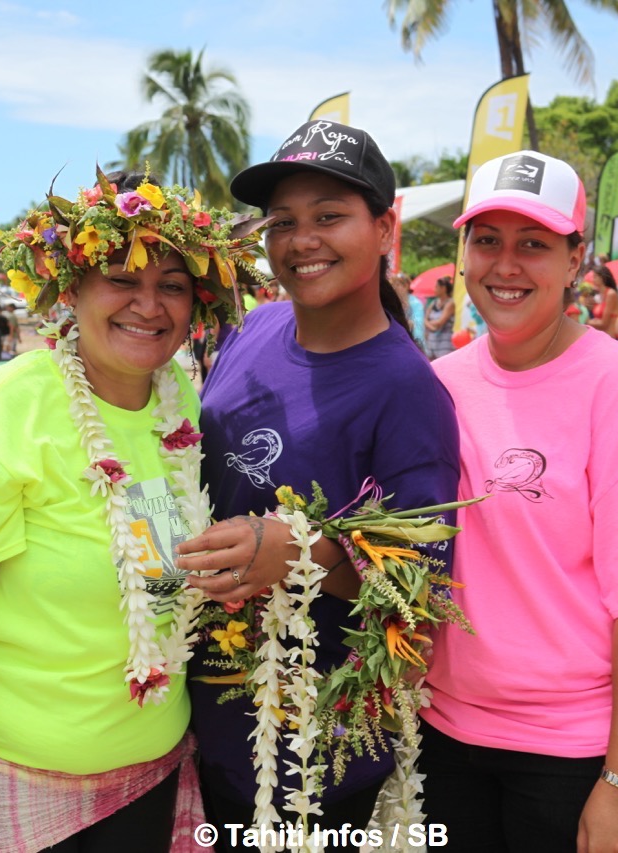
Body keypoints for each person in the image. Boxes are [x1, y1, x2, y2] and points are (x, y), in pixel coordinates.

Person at [0, 169, 264, 852]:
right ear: (71, 288)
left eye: (173, 286)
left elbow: (155, 569)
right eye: (123, 279)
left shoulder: (180, 398)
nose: (148, 305)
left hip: (153, 772)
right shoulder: (2, 411)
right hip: (13, 785)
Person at [174, 119, 461, 850]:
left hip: (316, 762)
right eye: (283, 222)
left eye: (329, 216)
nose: (302, 240)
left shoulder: (407, 390)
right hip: (197, 725)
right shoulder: (251, 331)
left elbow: (422, 595)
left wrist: (301, 555)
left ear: (385, 225)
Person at [420, 149, 618, 852]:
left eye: (534, 244)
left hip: (589, 750)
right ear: (462, 253)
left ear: (576, 257)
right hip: (454, 741)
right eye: (486, 240)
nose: (506, 265)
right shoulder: (439, 382)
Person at [424, 274, 456, 359]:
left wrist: (429, 324)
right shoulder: (433, 303)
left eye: (436, 287)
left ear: (443, 288)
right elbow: (425, 319)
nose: (435, 289)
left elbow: (440, 322)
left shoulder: (450, 303)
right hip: (431, 343)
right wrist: (432, 326)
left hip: (444, 345)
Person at [586, 266, 618, 337]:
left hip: (610, 337)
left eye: (595, 277)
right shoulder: (601, 294)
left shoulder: (610, 294)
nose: (593, 280)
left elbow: (604, 323)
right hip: (601, 336)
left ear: (602, 278)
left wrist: (585, 322)